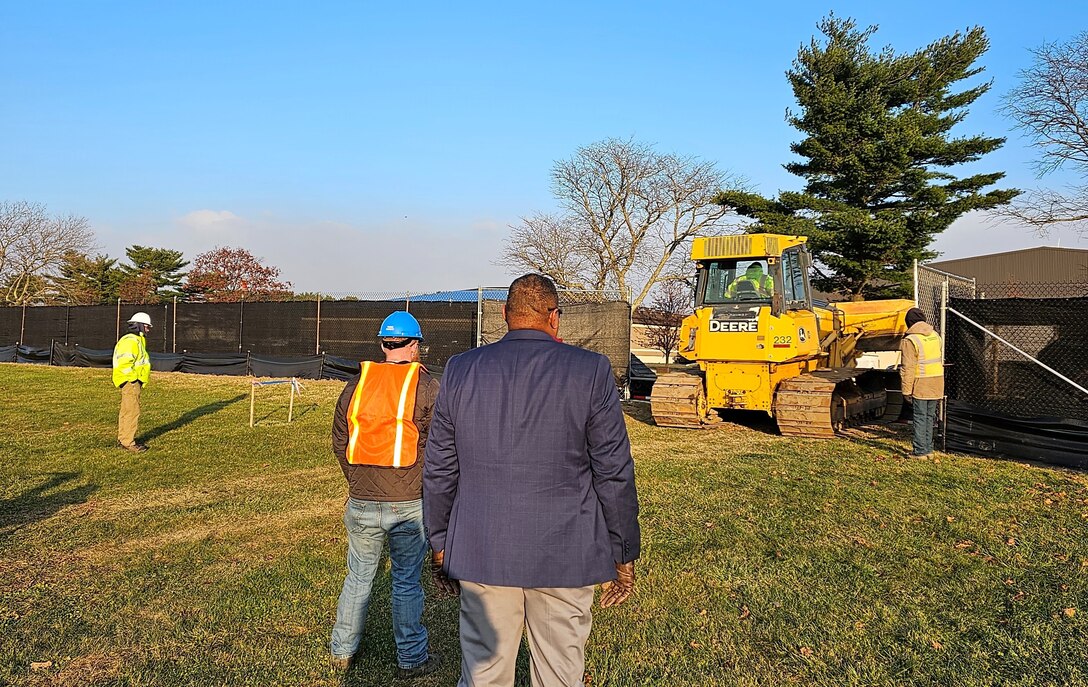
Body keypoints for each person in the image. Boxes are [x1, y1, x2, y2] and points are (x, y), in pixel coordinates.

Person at [423, 273, 640, 687]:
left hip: (483, 548)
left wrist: (439, 542)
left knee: (485, 675)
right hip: (566, 553)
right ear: (554, 317)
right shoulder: (590, 370)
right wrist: (623, 550)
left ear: (506, 315)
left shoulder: (461, 370)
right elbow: (613, 470)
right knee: (560, 674)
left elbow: (440, 468)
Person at [329, 311, 442, 678]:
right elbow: (441, 447)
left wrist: (357, 482)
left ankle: (342, 651)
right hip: (408, 503)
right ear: (415, 345)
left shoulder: (357, 384)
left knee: (358, 578)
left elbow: (340, 441)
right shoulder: (427, 387)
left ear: (383, 345)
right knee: (406, 581)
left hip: (361, 500)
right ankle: (412, 658)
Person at [900, 307, 945, 457]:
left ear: (908, 322)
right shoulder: (935, 335)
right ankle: (928, 449)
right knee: (929, 417)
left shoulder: (910, 340)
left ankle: (920, 451)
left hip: (921, 382)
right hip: (937, 380)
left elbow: (908, 367)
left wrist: (906, 391)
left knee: (919, 417)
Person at [113, 312, 153, 452]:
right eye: (147, 326)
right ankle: (128, 442)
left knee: (127, 410)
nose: (148, 330)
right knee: (132, 411)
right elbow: (125, 362)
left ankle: (123, 438)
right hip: (130, 381)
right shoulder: (131, 341)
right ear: (139, 326)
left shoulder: (135, 340)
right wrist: (133, 378)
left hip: (131, 380)